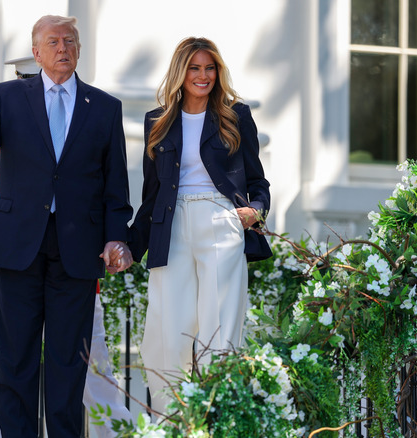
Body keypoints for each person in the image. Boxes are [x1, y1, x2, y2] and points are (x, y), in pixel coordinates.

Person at [0, 15, 134, 437]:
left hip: (77, 249)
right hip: (18, 245)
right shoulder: (6, 95)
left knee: (68, 367)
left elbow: (115, 186)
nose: (63, 48)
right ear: (36, 53)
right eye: (53, 42)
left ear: (79, 50)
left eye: (70, 41)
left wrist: (116, 238)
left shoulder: (104, 107)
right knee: (15, 362)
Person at [129, 37, 272, 415]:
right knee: (166, 335)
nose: (203, 75)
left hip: (221, 221)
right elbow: (151, 195)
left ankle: (217, 421)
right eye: (194, 68)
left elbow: (258, 182)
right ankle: (171, 423)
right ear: (181, 71)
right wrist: (129, 245)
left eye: (210, 68)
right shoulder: (157, 121)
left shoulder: (236, 115)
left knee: (220, 334)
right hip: (171, 226)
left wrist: (255, 210)